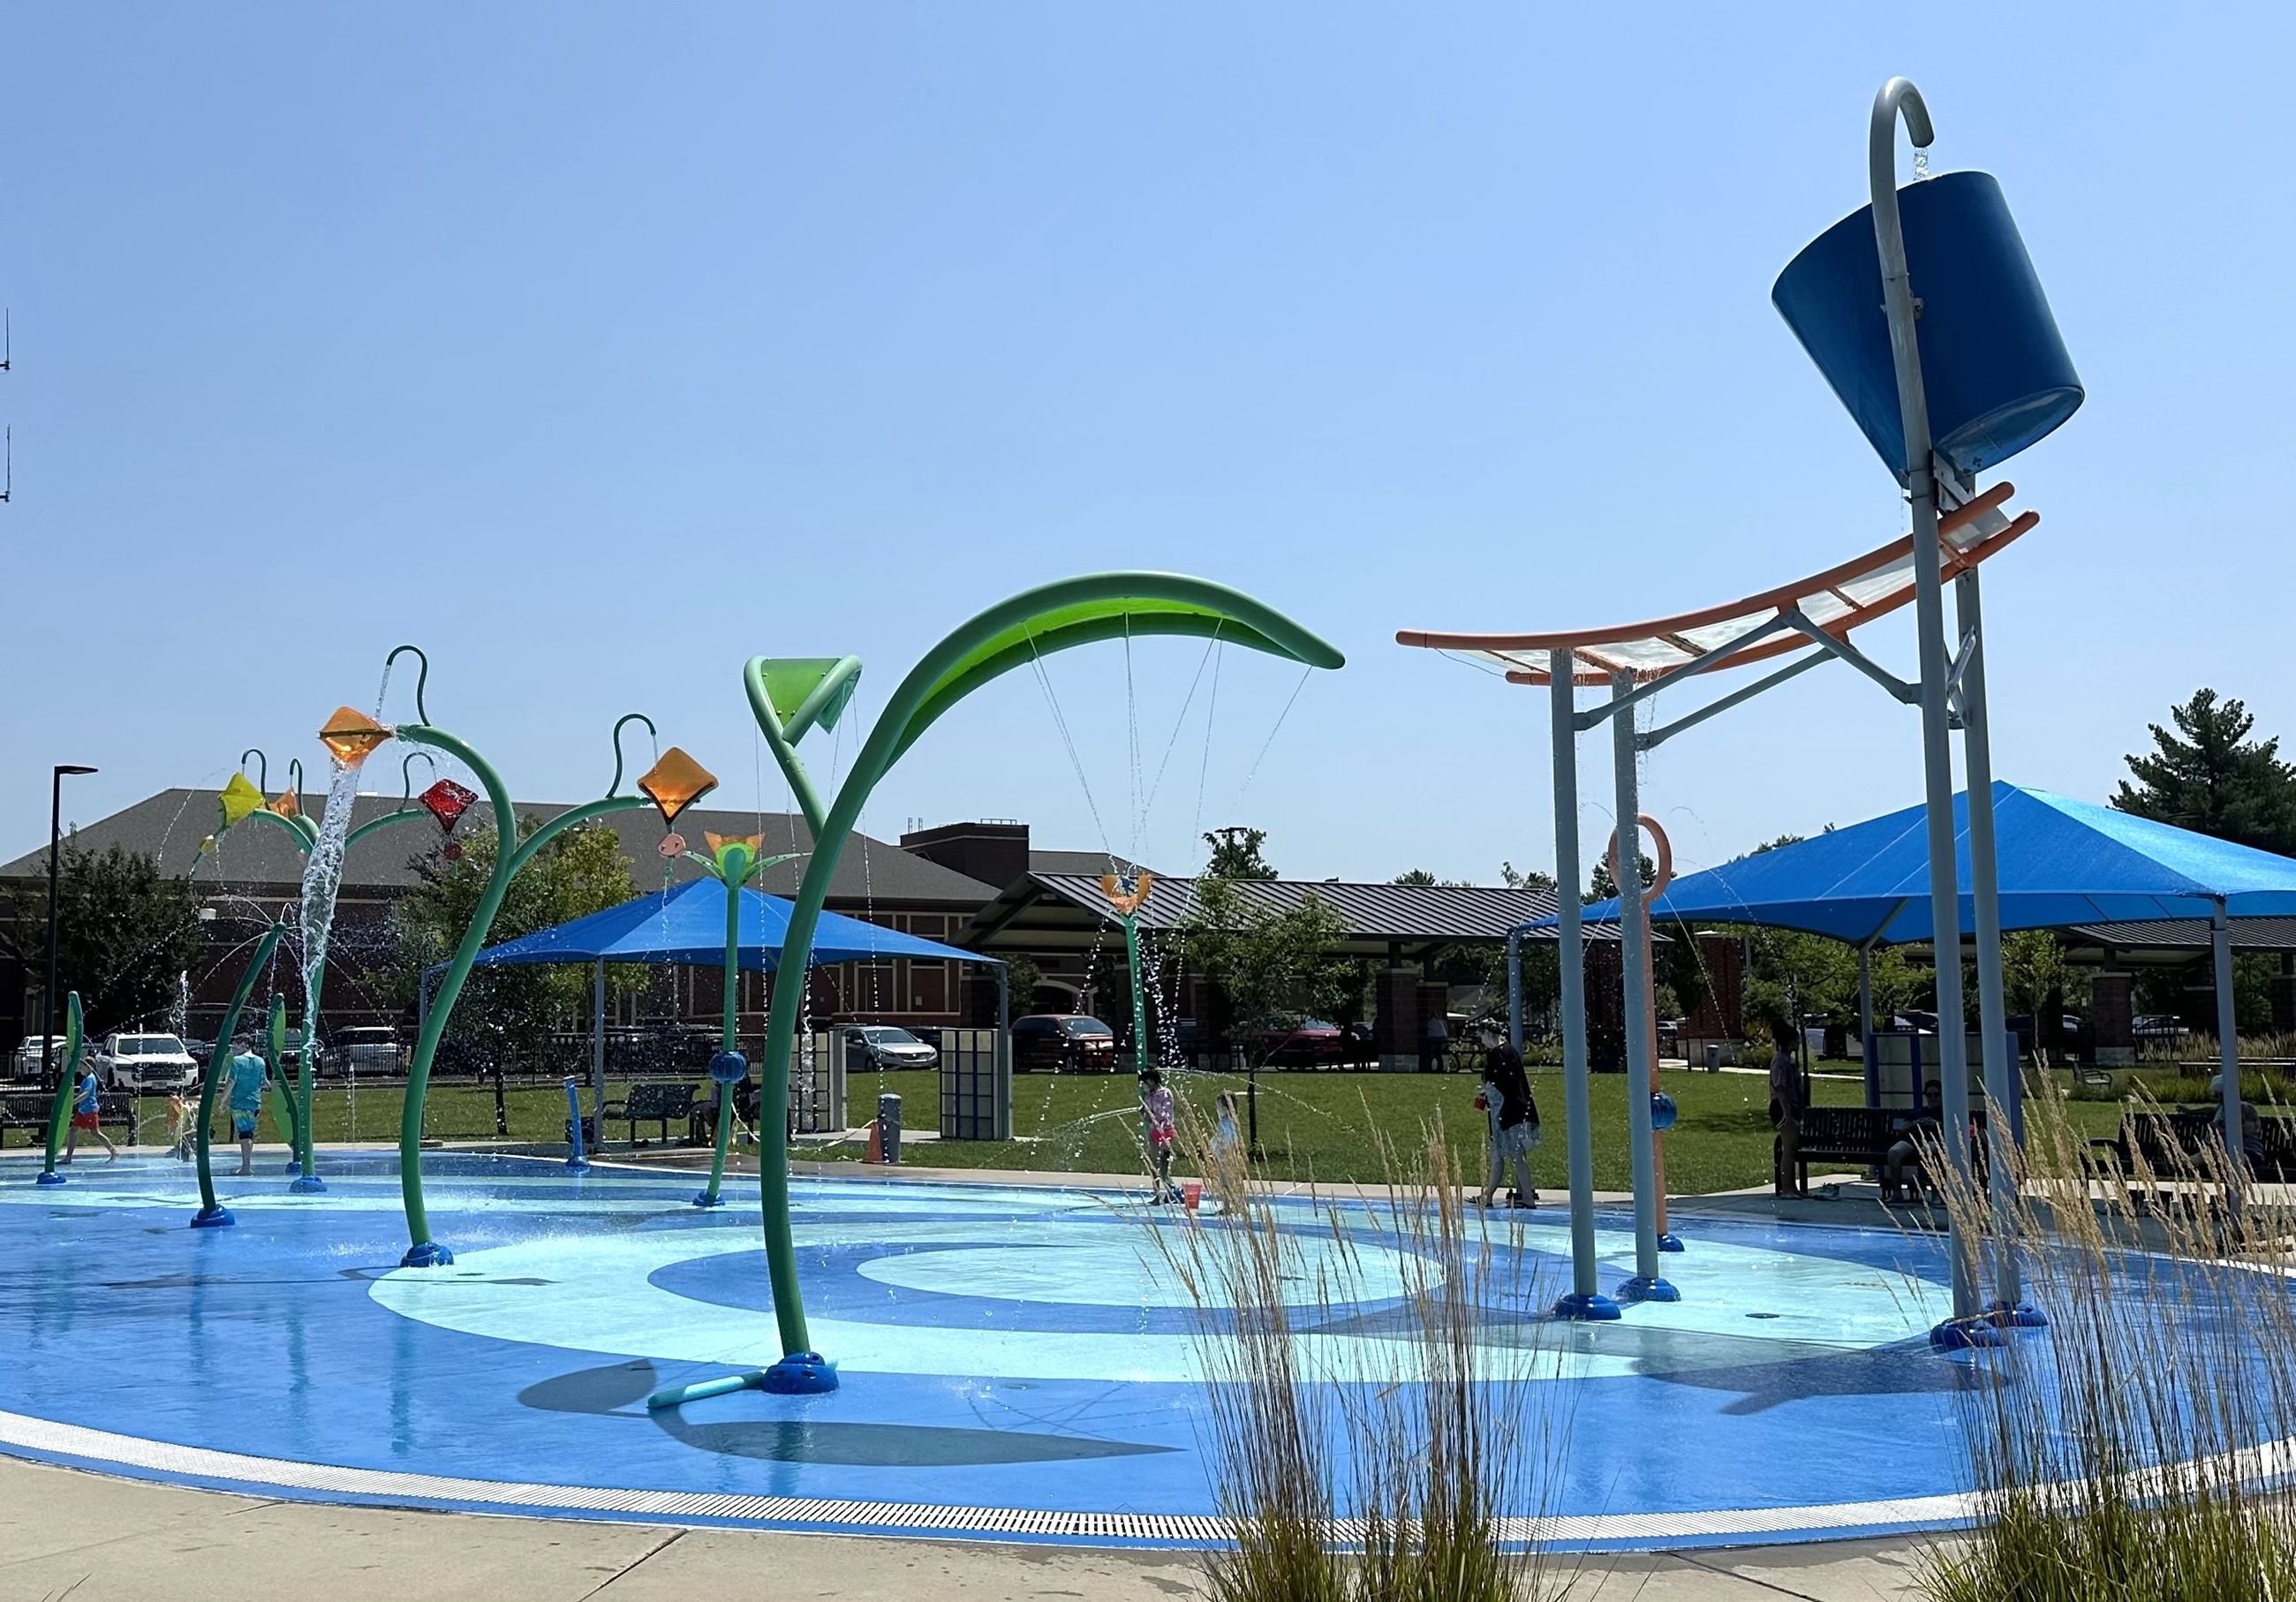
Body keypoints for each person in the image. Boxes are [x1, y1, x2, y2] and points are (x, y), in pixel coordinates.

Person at [1476, 1025, 1539, 1208]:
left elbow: (1502, 1084)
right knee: (1500, 1155)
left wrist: (1484, 1093)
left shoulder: (1499, 1054)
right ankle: (1488, 1196)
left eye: (1482, 1037)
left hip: (1508, 1112)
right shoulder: (1508, 1052)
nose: (1482, 1042)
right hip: (1507, 1111)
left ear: (1488, 1034)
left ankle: (1527, 1197)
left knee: (1515, 1155)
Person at [60, 1053, 116, 1164]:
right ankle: (68, 1157)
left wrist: (73, 1102)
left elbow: (86, 1094)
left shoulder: (90, 1079)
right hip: (83, 1111)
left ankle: (113, 1151)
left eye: (82, 1067)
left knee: (95, 1133)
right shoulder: (87, 1078)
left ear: (89, 1067)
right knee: (73, 1130)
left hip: (90, 1110)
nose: (80, 1069)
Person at [225, 1039, 269, 1177]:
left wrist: (222, 1100)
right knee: (248, 1134)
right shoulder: (260, 1061)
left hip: (240, 1103)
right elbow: (264, 1083)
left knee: (244, 1136)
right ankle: (246, 1165)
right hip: (254, 1103)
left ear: (244, 1045)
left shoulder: (237, 1061)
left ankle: (246, 1167)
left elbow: (231, 1081)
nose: (233, 1048)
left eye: (235, 1045)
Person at [1769, 1029, 1805, 1198]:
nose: (1798, 1044)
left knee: (1791, 1148)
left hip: (1790, 1107)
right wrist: (1787, 1115)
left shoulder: (1786, 1060)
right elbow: (1781, 1089)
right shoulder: (1781, 1062)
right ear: (1790, 1042)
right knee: (1788, 1149)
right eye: (1796, 1041)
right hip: (1783, 1108)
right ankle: (1787, 1189)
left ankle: (1792, 1187)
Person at [1140, 1068, 1180, 1204]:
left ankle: (1171, 1191)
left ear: (1151, 1081)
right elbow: (1146, 1119)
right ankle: (1157, 1194)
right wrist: (1144, 1112)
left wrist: (1152, 1117)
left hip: (1166, 1132)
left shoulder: (1166, 1094)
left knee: (1163, 1165)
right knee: (1153, 1164)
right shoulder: (1148, 1097)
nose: (1143, 1087)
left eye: (1144, 1084)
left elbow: (1167, 1115)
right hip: (1153, 1132)